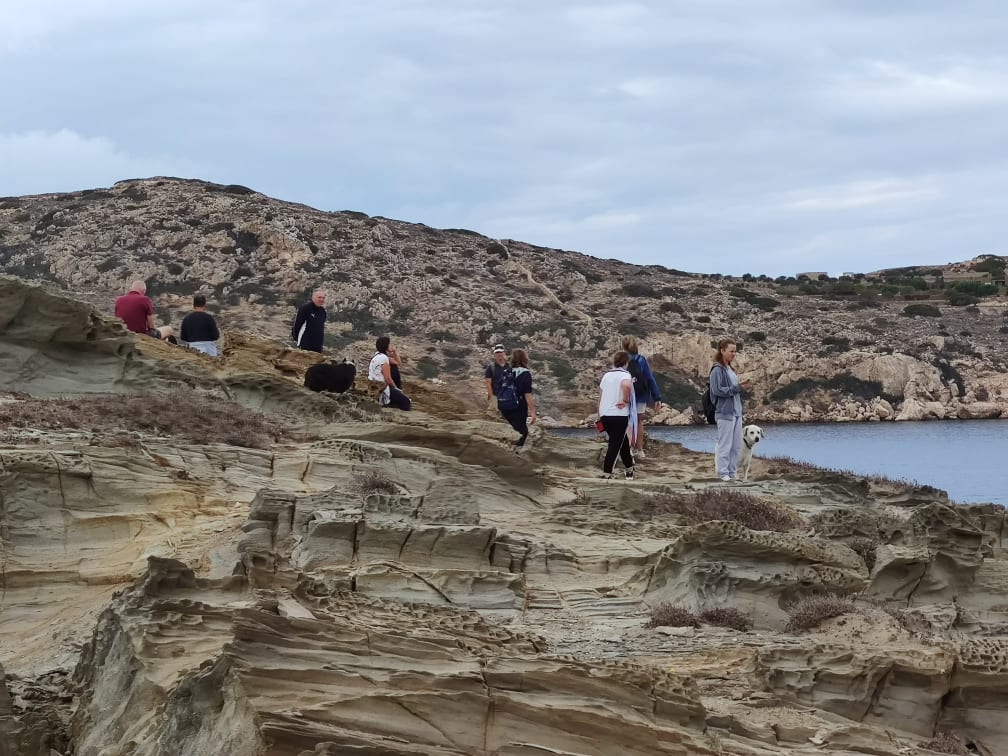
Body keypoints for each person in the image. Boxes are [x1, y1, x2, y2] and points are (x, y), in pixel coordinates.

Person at [710, 338, 750, 481]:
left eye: (735, 351)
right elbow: (717, 390)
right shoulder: (717, 370)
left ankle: (732, 473)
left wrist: (741, 387)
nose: (734, 354)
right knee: (725, 444)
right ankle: (723, 473)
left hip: (737, 412)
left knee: (736, 446)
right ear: (722, 351)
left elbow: (733, 390)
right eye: (731, 351)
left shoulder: (730, 369)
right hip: (725, 412)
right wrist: (738, 388)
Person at [597, 351, 636, 480]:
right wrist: (625, 400)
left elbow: (600, 397)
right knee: (614, 444)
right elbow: (626, 386)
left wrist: (599, 415)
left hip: (605, 414)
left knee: (622, 442)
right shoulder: (625, 374)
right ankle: (607, 473)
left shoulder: (606, 375)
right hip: (619, 415)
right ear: (626, 363)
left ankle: (629, 469)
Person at [622, 336, 663, 458]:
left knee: (626, 422)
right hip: (641, 395)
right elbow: (650, 379)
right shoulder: (641, 360)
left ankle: (628, 449)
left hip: (626, 395)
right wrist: (657, 397)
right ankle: (639, 450)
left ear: (623, 347)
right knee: (639, 422)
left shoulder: (622, 360)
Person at [500, 348, 536, 447]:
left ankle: (509, 448)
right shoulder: (525, 373)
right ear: (524, 358)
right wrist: (533, 412)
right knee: (521, 432)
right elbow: (527, 394)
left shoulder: (506, 371)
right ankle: (514, 452)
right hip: (518, 407)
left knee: (514, 430)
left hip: (505, 406)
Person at [368, 336, 412, 410]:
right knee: (406, 402)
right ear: (386, 346)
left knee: (394, 367)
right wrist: (397, 389)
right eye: (389, 344)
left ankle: (393, 400)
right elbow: (388, 379)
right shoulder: (384, 358)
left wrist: (394, 351)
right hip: (381, 387)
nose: (390, 345)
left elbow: (397, 362)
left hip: (372, 385)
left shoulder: (377, 355)